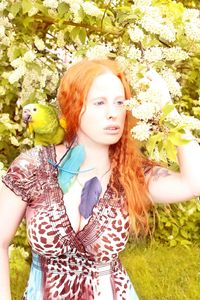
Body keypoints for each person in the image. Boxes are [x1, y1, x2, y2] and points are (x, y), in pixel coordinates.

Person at [0, 59, 200, 300]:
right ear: (74, 106)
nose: (113, 113)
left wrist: (169, 111)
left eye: (119, 103)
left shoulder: (130, 173)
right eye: (99, 103)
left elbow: (194, 183)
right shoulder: (32, 167)